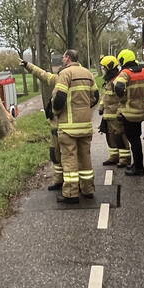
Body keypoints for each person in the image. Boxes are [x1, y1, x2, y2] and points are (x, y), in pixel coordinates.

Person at [50, 49, 100, 204]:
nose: (63, 59)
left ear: (68, 58)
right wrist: (84, 109)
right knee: (85, 158)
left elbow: (59, 98)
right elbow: (96, 97)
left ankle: (71, 194)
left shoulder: (66, 74)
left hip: (68, 126)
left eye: (64, 57)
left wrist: (56, 112)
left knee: (69, 158)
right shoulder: (88, 73)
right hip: (85, 125)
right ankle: (88, 190)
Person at [113, 48, 144, 176]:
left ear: (123, 60)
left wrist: (123, 99)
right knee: (136, 139)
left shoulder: (125, 73)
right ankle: (137, 164)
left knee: (134, 141)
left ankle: (139, 168)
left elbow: (119, 87)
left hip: (128, 113)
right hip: (140, 112)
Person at [22, 57, 63, 191]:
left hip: (60, 127)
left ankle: (65, 184)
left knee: (61, 156)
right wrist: (28, 65)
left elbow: (43, 75)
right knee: (64, 155)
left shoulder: (61, 80)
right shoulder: (83, 78)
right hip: (64, 126)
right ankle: (70, 183)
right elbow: (43, 75)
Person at [98, 55, 130, 168]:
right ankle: (114, 157)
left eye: (104, 68)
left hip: (116, 114)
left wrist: (121, 112)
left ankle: (125, 158)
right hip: (108, 114)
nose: (103, 70)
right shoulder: (108, 81)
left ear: (109, 68)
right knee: (110, 136)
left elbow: (123, 98)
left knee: (119, 136)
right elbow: (105, 96)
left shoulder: (117, 81)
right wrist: (101, 107)